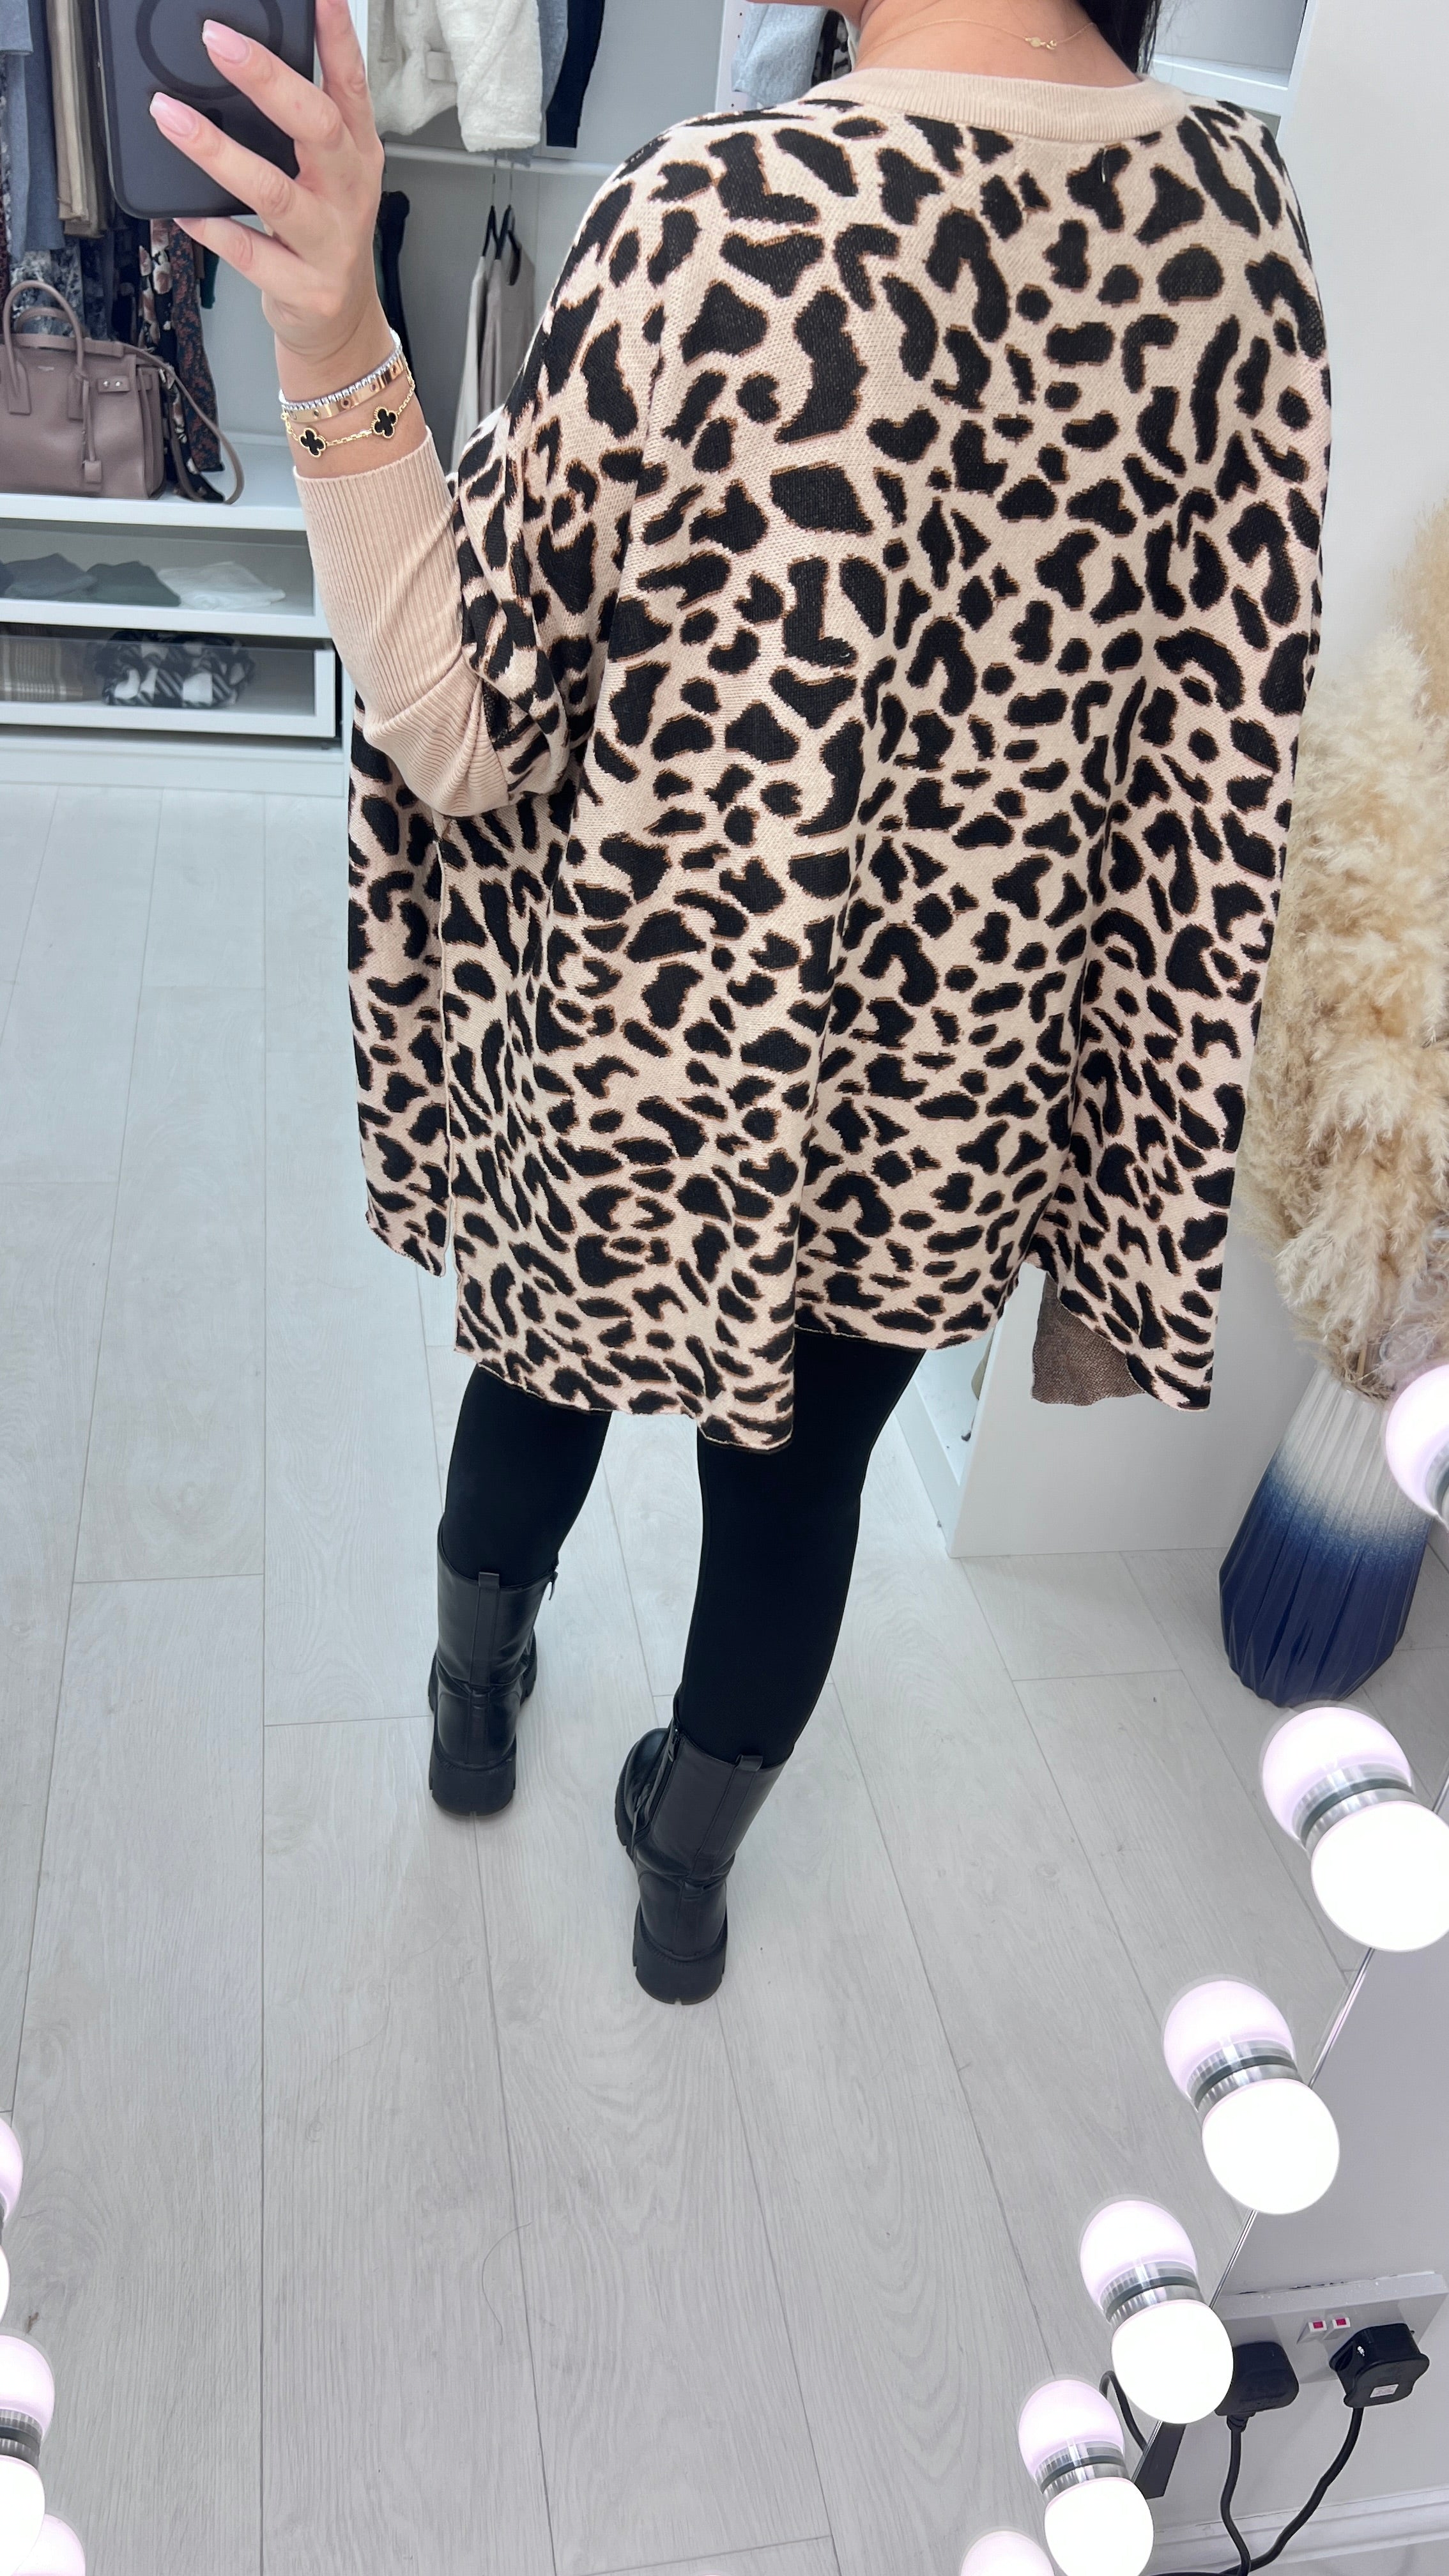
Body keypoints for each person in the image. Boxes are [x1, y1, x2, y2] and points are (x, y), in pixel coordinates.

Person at [157, 0, 1330, 2002]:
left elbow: (456, 724)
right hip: (957, 1070)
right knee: (801, 1486)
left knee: (537, 1379)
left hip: (652, 1040)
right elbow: (1216, 764)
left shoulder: (720, 206)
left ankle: (469, 1710)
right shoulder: (1239, 223)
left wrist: (334, 332)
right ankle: (683, 1882)